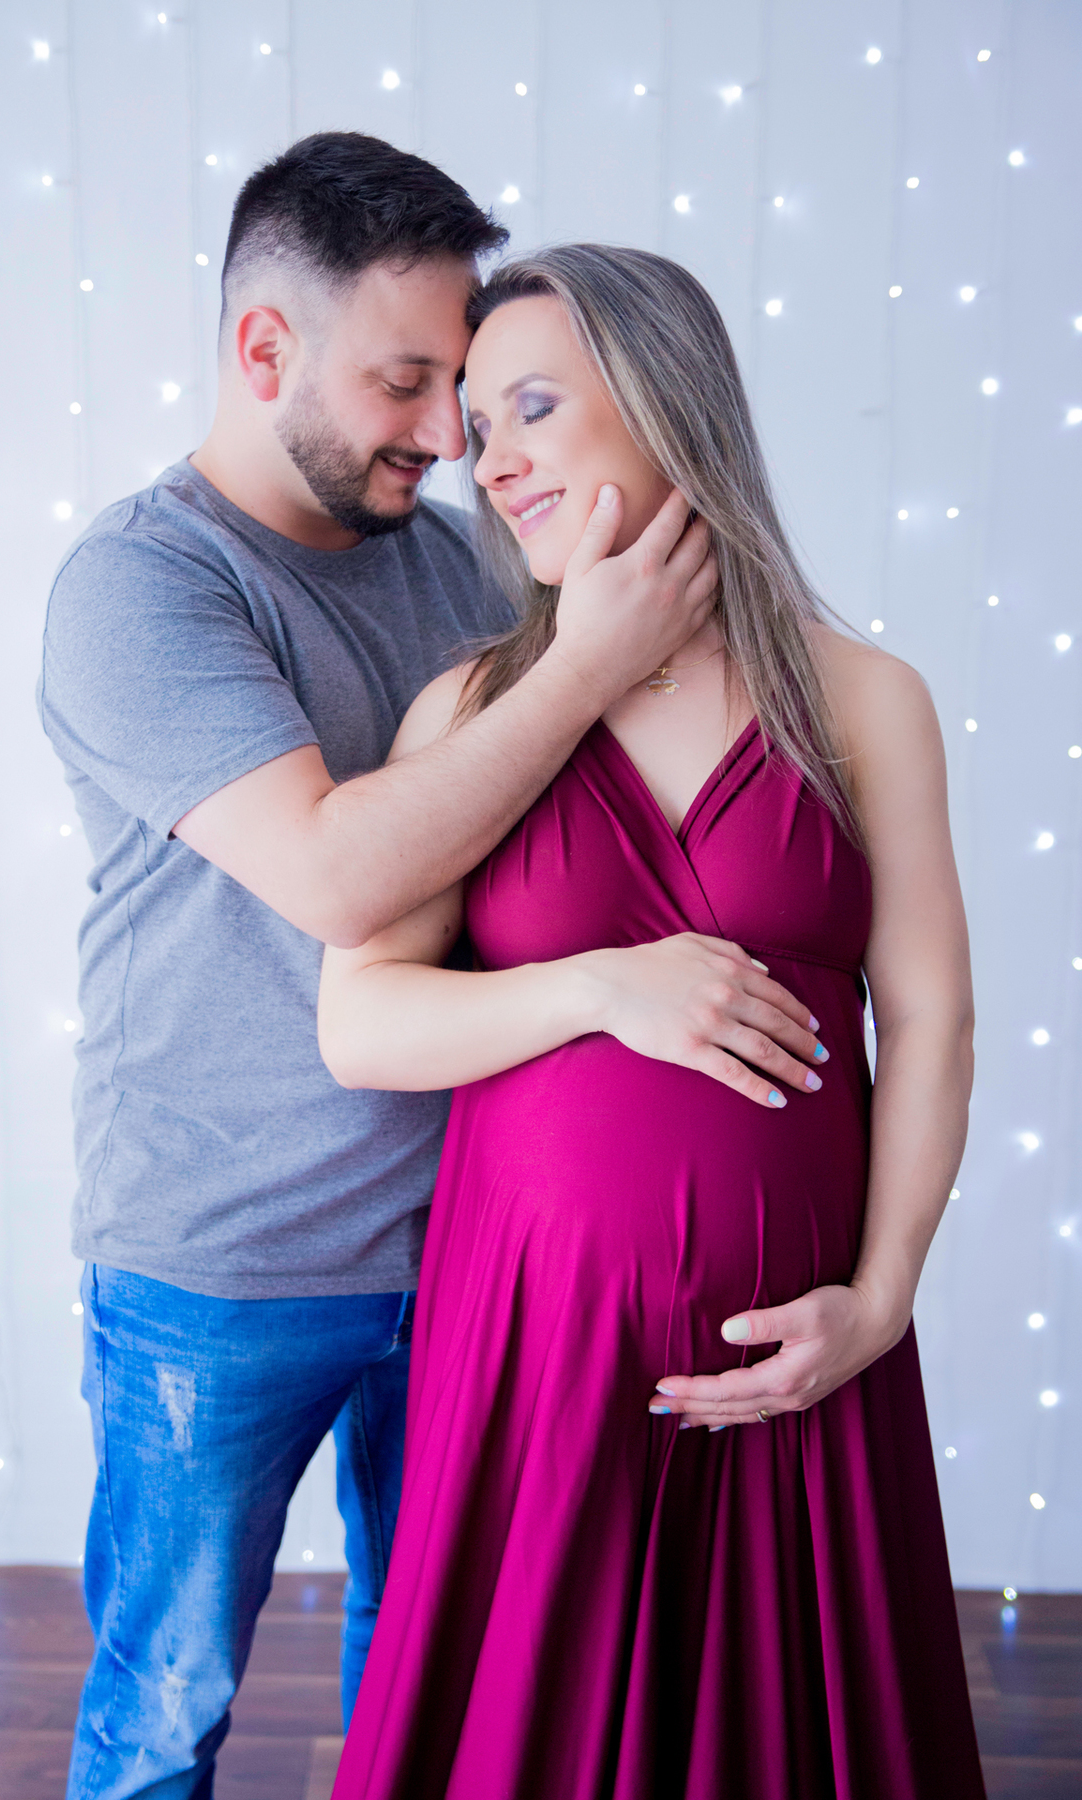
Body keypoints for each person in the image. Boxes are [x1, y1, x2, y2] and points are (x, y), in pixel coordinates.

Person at [36, 131, 802, 1798]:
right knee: (165, 1705)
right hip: (217, 1262)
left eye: (464, 383)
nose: (448, 435)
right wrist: (584, 660)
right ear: (263, 350)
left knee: (433, 1680)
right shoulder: (142, 588)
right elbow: (336, 872)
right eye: (406, 382)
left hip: (462, 1247)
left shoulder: (453, 556)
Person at [319, 244, 986, 1799]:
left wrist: (878, 1303)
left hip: (797, 1354)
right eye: (479, 428)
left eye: (532, 406)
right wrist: (601, 986)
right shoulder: (479, 711)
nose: (494, 460)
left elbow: (937, 1025)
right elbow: (361, 1025)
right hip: (536, 1352)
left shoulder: (861, 699)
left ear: (667, 399)